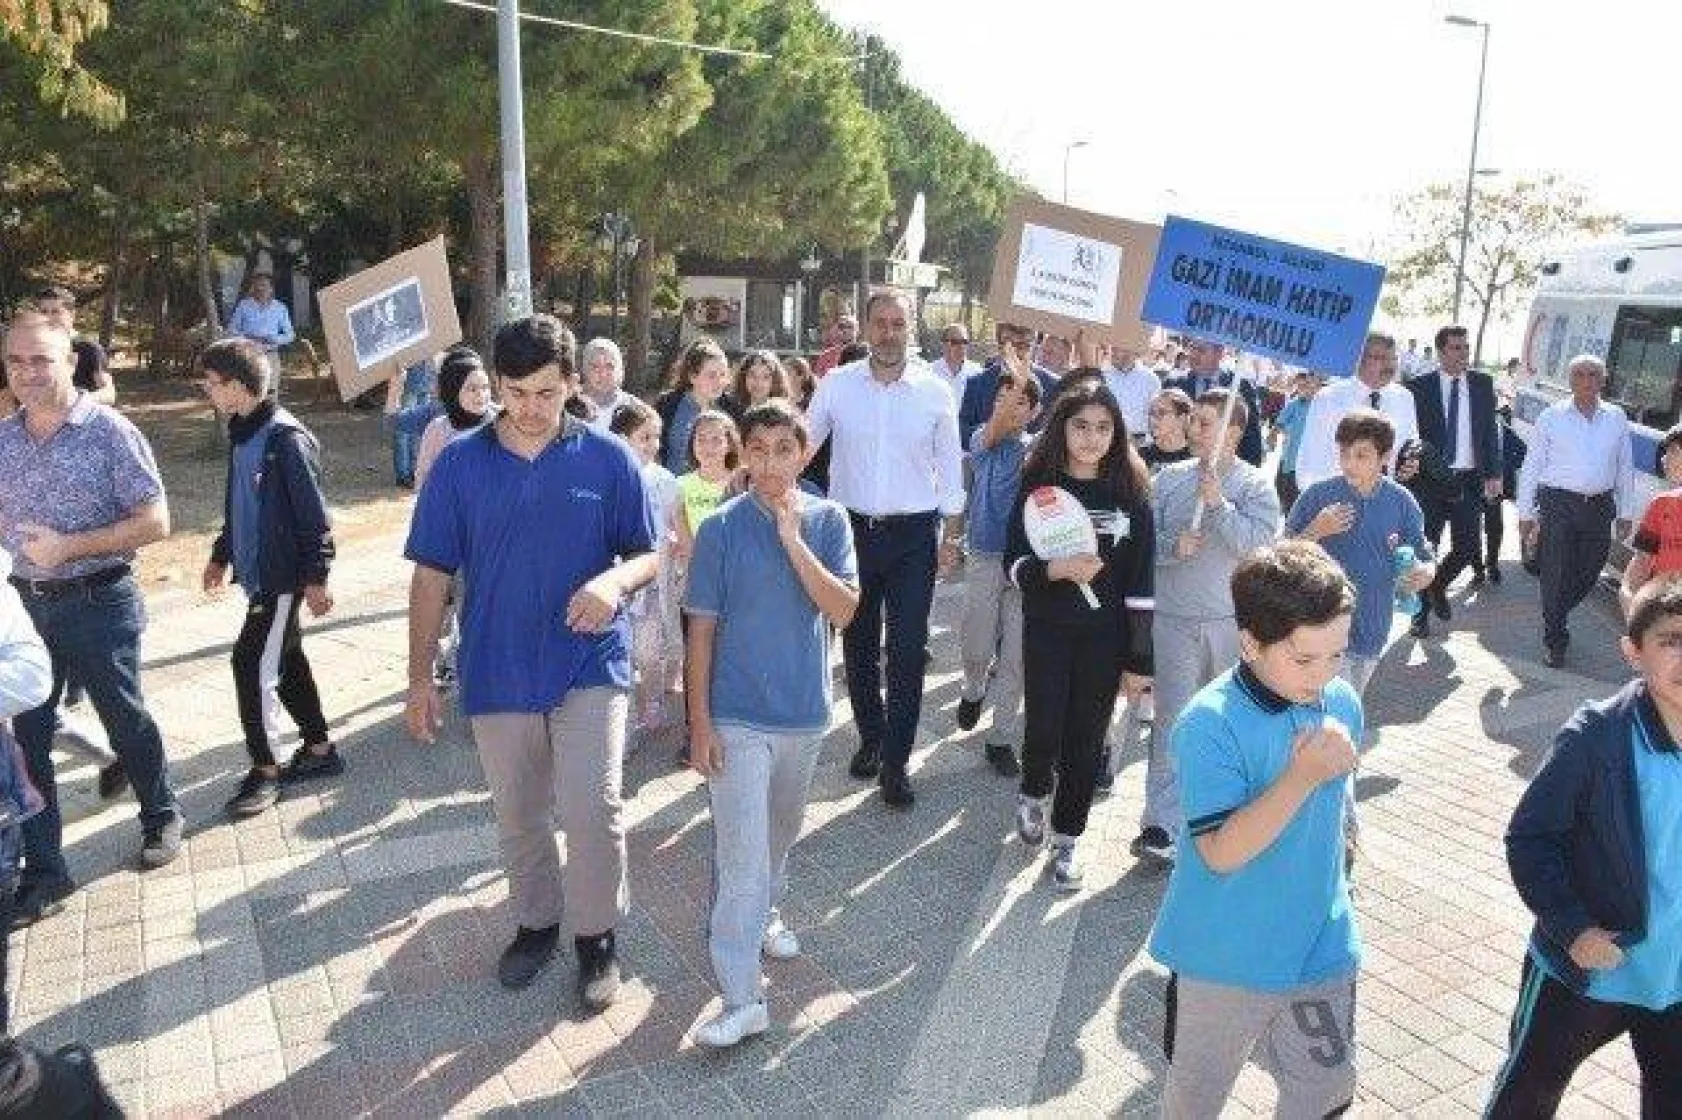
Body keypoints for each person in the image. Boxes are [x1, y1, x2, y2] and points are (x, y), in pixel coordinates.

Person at [404, 314, 657, 1012]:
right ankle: (537, 923)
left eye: (546, 392)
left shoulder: (607, 459)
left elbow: (646, 552)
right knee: (519, 815)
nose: (530, 409)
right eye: (514, 392)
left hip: (588, 662)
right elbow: (430, 577)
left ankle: (597, 936)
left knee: (591, 806)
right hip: (496, 663)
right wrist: (419, 677)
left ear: (572, 384)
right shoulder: (459, 464)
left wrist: (614, 583)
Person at [1149, 540, 1363, 1120]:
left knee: (1326, 1094)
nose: (1323, 677)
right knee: (1193, 1104)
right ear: (1249, 641)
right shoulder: (1207, 725)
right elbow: (1218, 851)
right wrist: (1299, 776)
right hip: (1224, 958)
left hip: (1321, 947)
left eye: (1337, 656)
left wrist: (1346, 856)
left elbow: (1337, 808)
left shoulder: (1341, 700)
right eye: (1304, 660)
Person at [684, 401, 859, 1048]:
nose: (769, 464)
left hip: (803, 714)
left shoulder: (831, 521)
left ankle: (766, 914)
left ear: (803, 453)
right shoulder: (722, 529)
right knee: (741, 859)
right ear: (741, 454)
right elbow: (700, 631)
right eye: (756, 449)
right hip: (735, 717)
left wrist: (792, 539)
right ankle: (741, 996)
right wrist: (699, 723)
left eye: (783, 449)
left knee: (777, 840)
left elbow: (843, 611)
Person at [0, 311, 184, 925]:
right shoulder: (4, 441)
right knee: (28, 740)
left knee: (123, 715)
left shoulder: (109, 432)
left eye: (40, 360)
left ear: (71, 361)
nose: (26, 372)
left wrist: (69, 546)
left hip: (98, 601)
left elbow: (157, 522)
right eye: (15, 361)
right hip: (24, 610)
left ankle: (161, 813)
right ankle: (47, 872)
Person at [1486, 579, 1682, 1116]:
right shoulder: (1598, 737)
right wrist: (1574, 929)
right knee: (1527, 1094)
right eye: (1671, 640)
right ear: (1633, 651)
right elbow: (1530, 839)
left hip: (1676, 977)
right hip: (1592, 966)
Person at [807, 290, 964, 809]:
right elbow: (803, 442)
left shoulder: (936, 390)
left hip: (914, 537)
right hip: (849, 531)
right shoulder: (836, 385)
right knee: (856, 643)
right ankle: (870, 737)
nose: (889, 332)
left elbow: (952, 471)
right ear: (867, 328)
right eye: (881, 322)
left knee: (907, 647)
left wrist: (953, 537)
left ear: (911, 327)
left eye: (899, 323)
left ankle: (896, 762)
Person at [1004, 379, 1154, 890]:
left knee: (1086, 741)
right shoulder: (1037, 487)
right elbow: (1014, 566)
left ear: (1117, 433)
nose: (1092, 438)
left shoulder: (1133, 496)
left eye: (1104, 428)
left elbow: (1142, 585)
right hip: (1047, 629)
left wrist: (1139, 660)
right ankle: (1032, 790)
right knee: (1044, 727)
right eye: (1081, 426)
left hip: (1104, 639)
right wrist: (1056, 570)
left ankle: (1067, 842)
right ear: (1062, 429)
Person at [198, 338, 340, 816]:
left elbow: (314, 517)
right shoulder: (242, 430)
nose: (206, 389)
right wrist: (221, 554)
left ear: (238, 386)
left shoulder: (285, 439)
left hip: (282, 581)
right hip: (259, 575)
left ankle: (266, 770)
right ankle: (319, 750)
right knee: (287, 658)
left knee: (251, 665)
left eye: (212, 382)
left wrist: (317, 577)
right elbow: (239, 503)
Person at [1139, 389, 1281, 862]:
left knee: (1225, 725)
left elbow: (1257, 548)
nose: (1194, 430)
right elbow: (1143, 544)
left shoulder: (1255, 485)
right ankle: (1160, 823)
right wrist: (1169, 547)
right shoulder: (1168, 478)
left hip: (1228, 623)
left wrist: (1219, 504)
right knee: (1172, 721)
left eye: (1205, 423)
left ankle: (1220, 819)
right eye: (1194, 421)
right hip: (1174, 621)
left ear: (1234, 432)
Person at [1287, 410, 1435, 694]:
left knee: (1350, 712)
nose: (1349, 463)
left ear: (1385, 457)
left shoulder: (1401, 502)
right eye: (1344, 453)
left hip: (1372, 627)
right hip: (1318, 629)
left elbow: (1423, 554)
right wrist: (1316, 531)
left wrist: (1424, 572)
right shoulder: (1318, 495)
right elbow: (1281, 554)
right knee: (1315, 715)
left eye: (1361, 455)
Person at [1517, 354, 1635, 668]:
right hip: (1558, 505)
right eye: (1579, 374)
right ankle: (1555, 639)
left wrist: (1626, 511)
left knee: (1591, 570)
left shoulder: (1616, 417)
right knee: (1554, 573)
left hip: (1599, 506)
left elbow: (1625, 465)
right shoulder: (1551, 417)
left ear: (1603, 379)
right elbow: (1531, 467)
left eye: (1593, 374)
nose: (1586, 380)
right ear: (1570, 381)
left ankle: (1554, 612)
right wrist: (1525, 514)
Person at [955, 375, 1040, 778]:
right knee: (977, 643)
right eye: (1003, 400)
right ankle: (973, 689)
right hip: (986, 556)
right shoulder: (982, 440)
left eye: (1020, 402)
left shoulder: (1039, 450)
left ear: (1034, 411)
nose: (1010, 408)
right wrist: (1011, 393)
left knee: (1017, 657)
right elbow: (990, 434)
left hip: (1026, 564)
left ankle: (1000, 738)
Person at [1404, 325, 1503, 640]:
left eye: (1466, 347)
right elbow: (1409, 436)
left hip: (1469, 480)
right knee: (1426, 547)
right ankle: (1419, 616)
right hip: (1429, 482)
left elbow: (1489, 432)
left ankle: (1437, 585)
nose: (1463, 354)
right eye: (1456, 348)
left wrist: (1494, 473)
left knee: (1467, 546)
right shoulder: (1418, 388)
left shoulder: (1482, 384)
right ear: (1441, 351)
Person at [609, 401, 683, 737]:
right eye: (644, 437)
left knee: (650, 651)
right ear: (622, 439)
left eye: (657, 436)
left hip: (653, 581)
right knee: (620, 652)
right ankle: (619, 722)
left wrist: (686, 556)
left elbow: (679, 526)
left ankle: (651, 703)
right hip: (616, 580)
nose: (654, 444)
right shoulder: (608, 477)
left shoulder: (665, 479)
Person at [1292, 332, 1421, 492]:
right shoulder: (1329, 398)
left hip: (1386, 501)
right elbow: (1310, 457)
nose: (1389, 366)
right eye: (1380, 358)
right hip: (1338, 499)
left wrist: (1410, 463)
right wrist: (1315, 501)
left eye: (1393, 358)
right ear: (1359, 359)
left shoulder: (1405, 398)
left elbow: (1411, 442)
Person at [1162, 340, 1265, 466]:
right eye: (1192, 348)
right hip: (1181, 469)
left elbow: (1251, 433)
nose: (1193, 355)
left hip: (1225, 469)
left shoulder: (1240, 385)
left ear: (1219, 353)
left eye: (1201, 350)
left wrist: (1249, 472)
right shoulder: (1173, 384)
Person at [958, 323, 1059, 449]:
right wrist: (994, 430)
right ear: (999, 346)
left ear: (1033, 346)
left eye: (1023, 345)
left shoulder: (1054, 385)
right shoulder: (977, 383)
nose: (1015, 351)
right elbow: (962, 432)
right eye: (1009, 343)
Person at [1619, 424, 1682, 615]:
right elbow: (1642, 559)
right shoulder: (1661, 504)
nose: (1663, 460)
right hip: (1663, 614)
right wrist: (1628, 593)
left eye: (1672, 451)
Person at [414, 346, 494, 492]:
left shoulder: (504, 422)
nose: (481, 395)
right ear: (454, 391)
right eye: (472, 389)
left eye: (485, 387)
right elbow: (423, 481)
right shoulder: (437, 430)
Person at [654, 338, 736, 476]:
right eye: (711, 375)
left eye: (723, 374)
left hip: (720, 492)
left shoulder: (733, 409)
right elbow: (654, 451)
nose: (719, 381)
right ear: (692, 376)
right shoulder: (667, 405)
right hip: (676, 490)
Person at [32, 287, 115, 405]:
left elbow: (109, 394)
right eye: (44, 312)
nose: (49, 317)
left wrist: (73, 402)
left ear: (72, 314)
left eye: (56, 312)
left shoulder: (89, 348)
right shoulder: (35, 347)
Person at [225, 271, 295, 391]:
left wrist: (273, 338)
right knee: (249, 392)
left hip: (270, 355)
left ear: (271, 289)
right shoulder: (244, 305)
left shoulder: (280, 308)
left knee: (270, 393)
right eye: (257, 285)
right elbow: (231, 329)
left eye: (264, 285)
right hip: (247, 356)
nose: (260, 288)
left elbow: (290, 335)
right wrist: (248, 337)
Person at [382, 355, 440, 488]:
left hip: (427, 380)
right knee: (403, 431)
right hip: (408, 383)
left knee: (421, 431)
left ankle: (415, 471)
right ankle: (403, 475)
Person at [1270, 371, 1316, 512]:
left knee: (1297, 500)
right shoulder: (1296, 403)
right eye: (1305, 384)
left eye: (1311, 385)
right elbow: (1279, 424)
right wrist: (1272, 437)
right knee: (1282, 495)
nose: (1307, 388)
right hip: (1289, 460)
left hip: (1308, 463)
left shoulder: (1322, 406)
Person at [1103, 345, 1162, 446]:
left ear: (1131, 351)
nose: (1111, 352)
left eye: (1116, 348)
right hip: (1110, 440)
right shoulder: (1103, 376)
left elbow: (1156, 414)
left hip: (1141, 442)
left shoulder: (1151, 379)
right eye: (1112, 348)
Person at [578, 338, 637, 432]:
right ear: (585, 370)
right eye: (595, 367)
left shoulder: (634, 407)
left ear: (619, 369)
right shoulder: (571, 405)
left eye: (610, 366)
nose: (603, 374)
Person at [1141, 389, 1194, 472]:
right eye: (1151, 413)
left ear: (1182, 418)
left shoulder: (1197, 455)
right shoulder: (1141, 456)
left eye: (1161, 413)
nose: (1153, 419)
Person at [729, 349, 791, 414]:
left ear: (775, 380)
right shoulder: (730, 411)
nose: (758, 382)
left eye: (766, 377)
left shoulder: (785, 414)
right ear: (743, 377)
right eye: (752, 375)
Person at [810, 313, 859, 379]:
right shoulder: (826, 356)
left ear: (857, 331)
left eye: (850, 327)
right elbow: (818, 381)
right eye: (841, 327)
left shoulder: (865, 354)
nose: (845, 330)